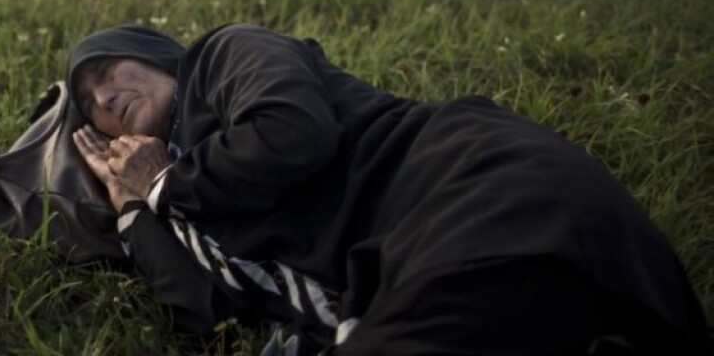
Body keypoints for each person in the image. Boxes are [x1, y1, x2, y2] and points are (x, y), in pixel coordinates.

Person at [68, 23, 709, 355]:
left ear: (154, 54)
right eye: (89, 104)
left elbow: (294, 133)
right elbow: (206, 312)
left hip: (477, 183)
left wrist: (167, 181)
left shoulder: (222, 57)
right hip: (408, 271)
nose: (102, 95)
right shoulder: (175, 198)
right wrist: (134, 205)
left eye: (106, 69)